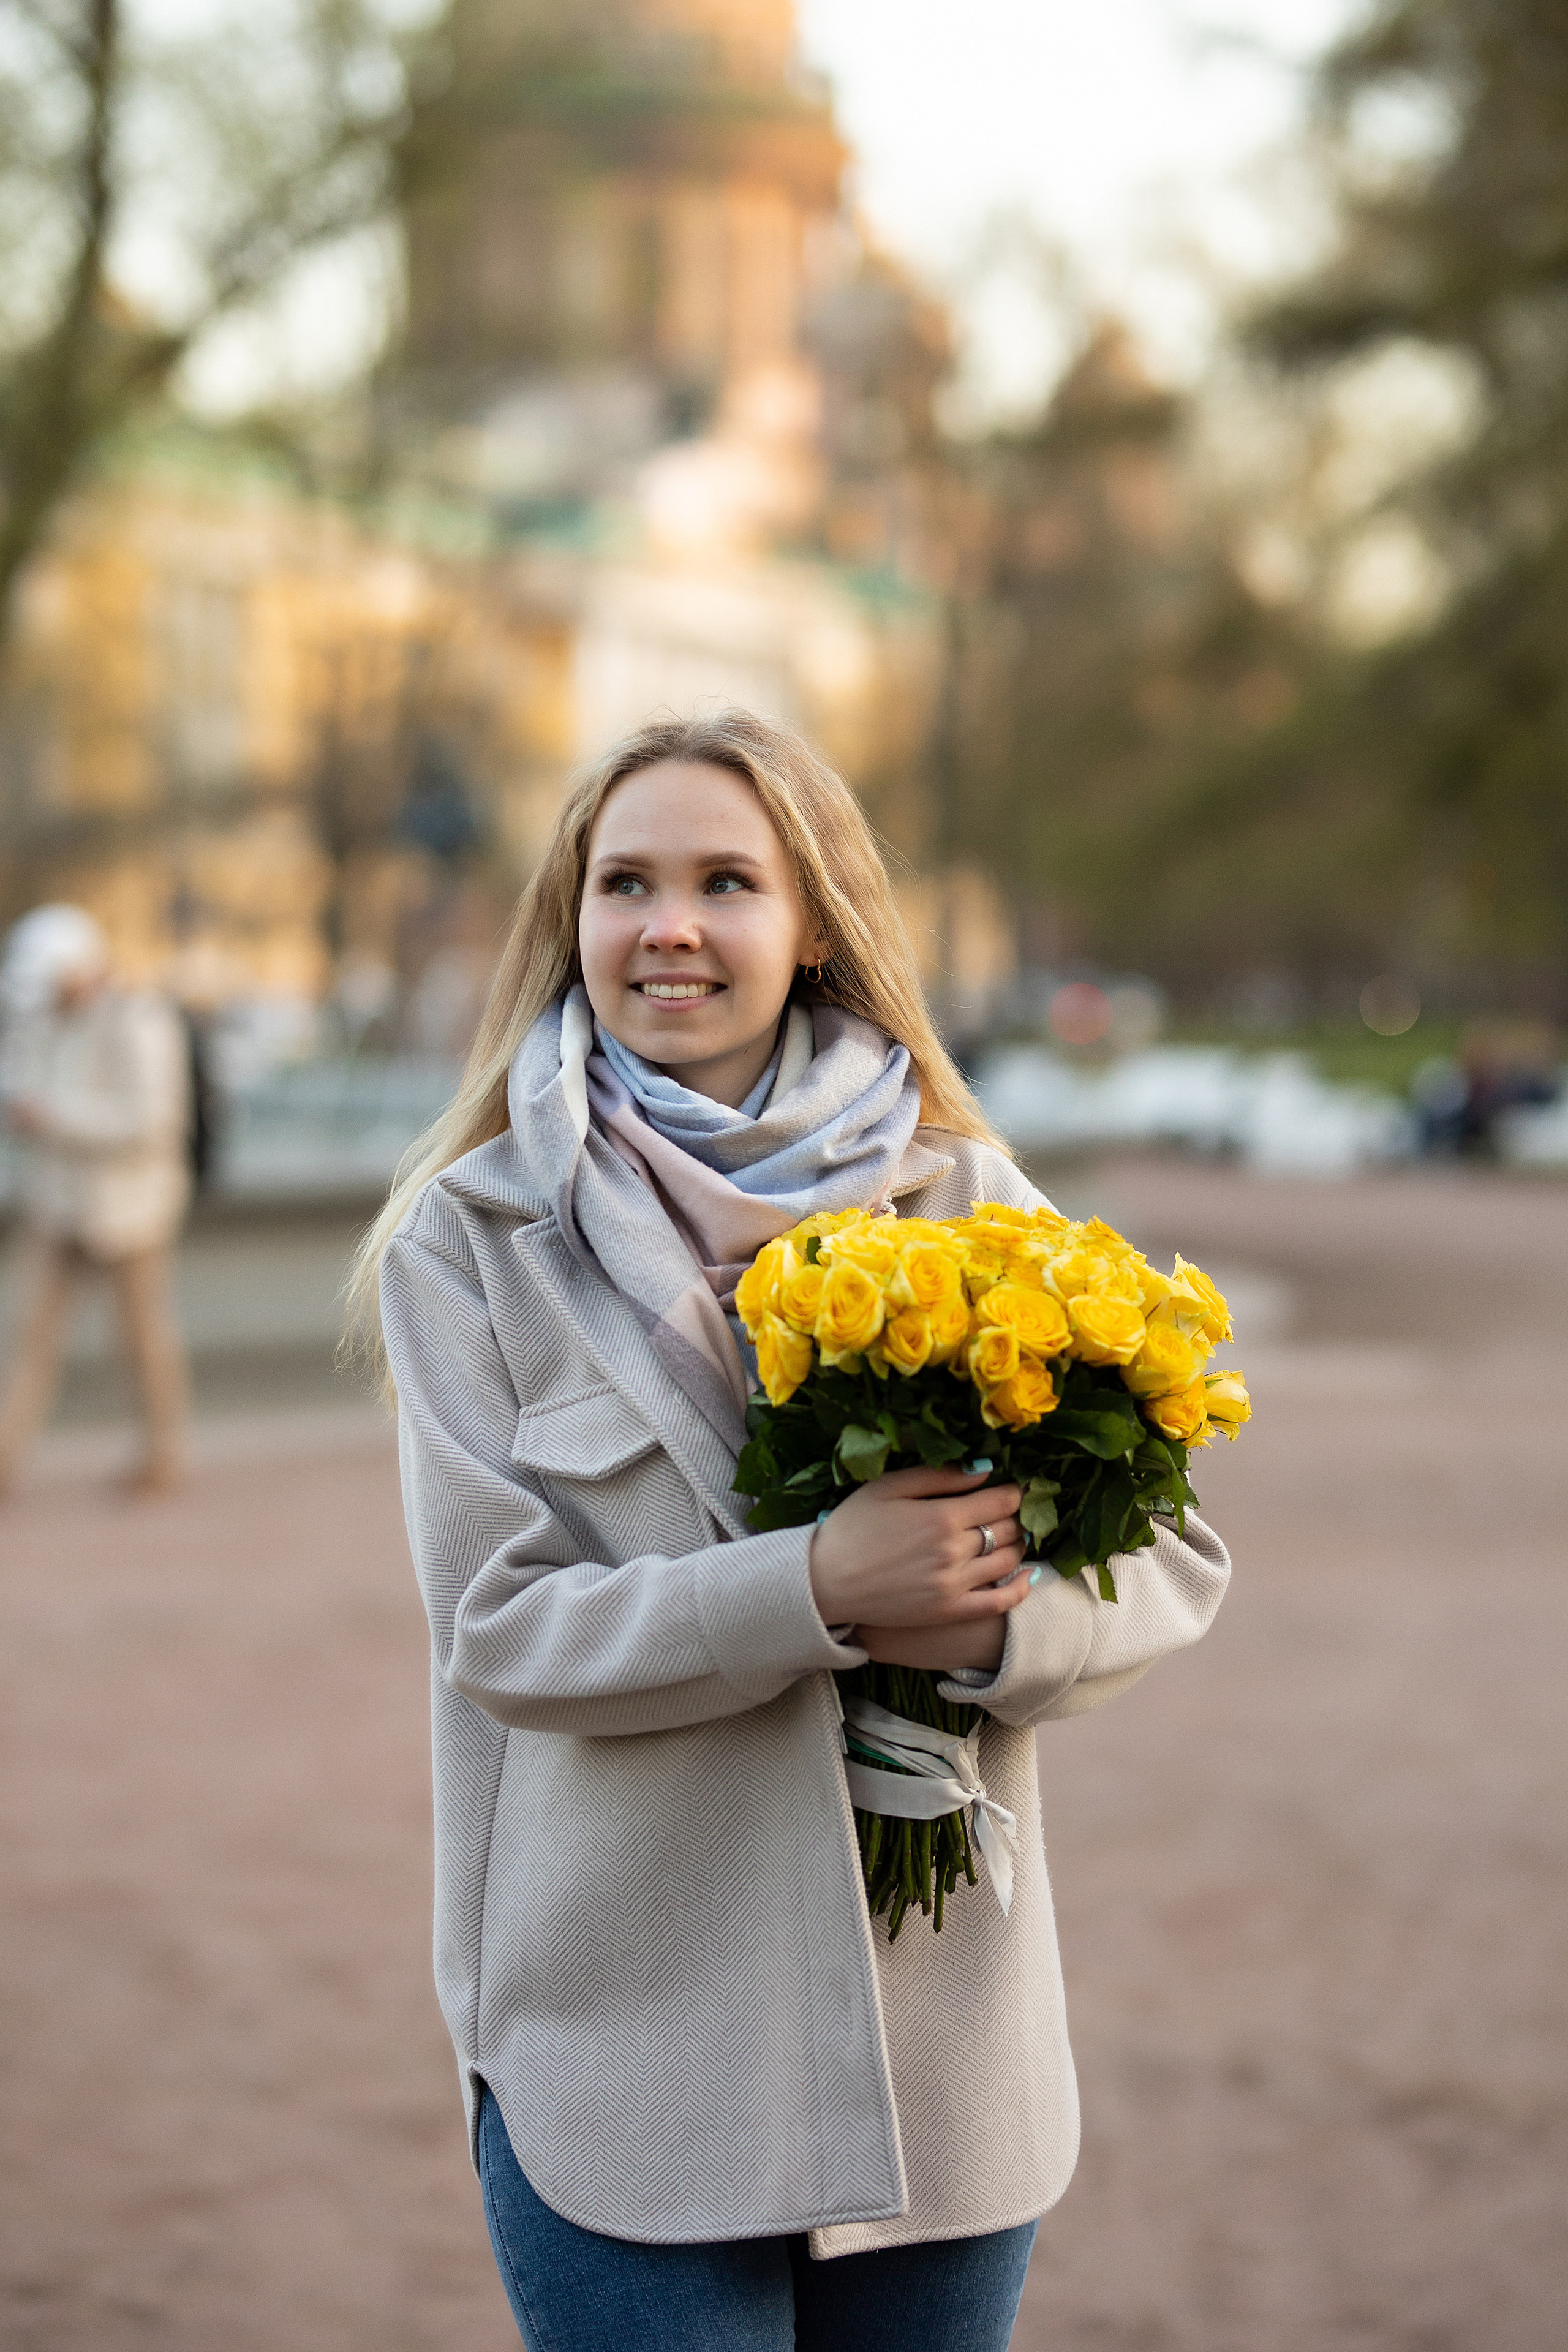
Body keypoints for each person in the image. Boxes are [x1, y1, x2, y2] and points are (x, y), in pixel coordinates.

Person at [351, 710, 1231, 2352]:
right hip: (624, 2055)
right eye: (625, 882)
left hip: (942, 2067)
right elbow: (504, 1630)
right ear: (575, 918)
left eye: (724, 881)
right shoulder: (471, 1243)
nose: (666, 924)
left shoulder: (969, 1199)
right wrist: (815, 1587)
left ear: (811, 919)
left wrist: (974, 1620)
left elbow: (1172, 1564)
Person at [0, 905, 192, 1496]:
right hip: (60, 1206)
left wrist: (52, 1118)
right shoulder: (51, 1020)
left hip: (129, 1211)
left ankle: (163, 1456)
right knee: (30, 1336)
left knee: (140, 1340)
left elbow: (151, 1120)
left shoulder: (140, 1020)